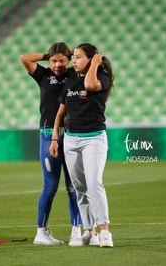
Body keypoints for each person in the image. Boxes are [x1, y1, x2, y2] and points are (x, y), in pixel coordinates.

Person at [49, 43, 115, 247]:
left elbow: (90, 86)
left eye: (78, 57)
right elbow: (61, 112)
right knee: (79, 187)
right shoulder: (70, 82)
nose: (74, 60)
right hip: (70, 139)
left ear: (91, 59)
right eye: (74, 57)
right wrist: (54, 138)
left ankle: (105, 231)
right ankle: (90, 232)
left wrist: (95, 64)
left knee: (94, 183)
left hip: (93, 139)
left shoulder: (101, 78)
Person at [20, 42, 82, 246]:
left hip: (72, 136)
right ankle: (41, 232)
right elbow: (25, 58)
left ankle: (77, 231)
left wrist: (73, 53)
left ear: (69, 60)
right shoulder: (43, 75)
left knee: (73, 186)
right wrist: (50, 55)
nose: (57, 65)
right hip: (48, 136)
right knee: (50, 186)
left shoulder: (74, 75)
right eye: (54, 61)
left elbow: (94, 61)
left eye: (62, 61)